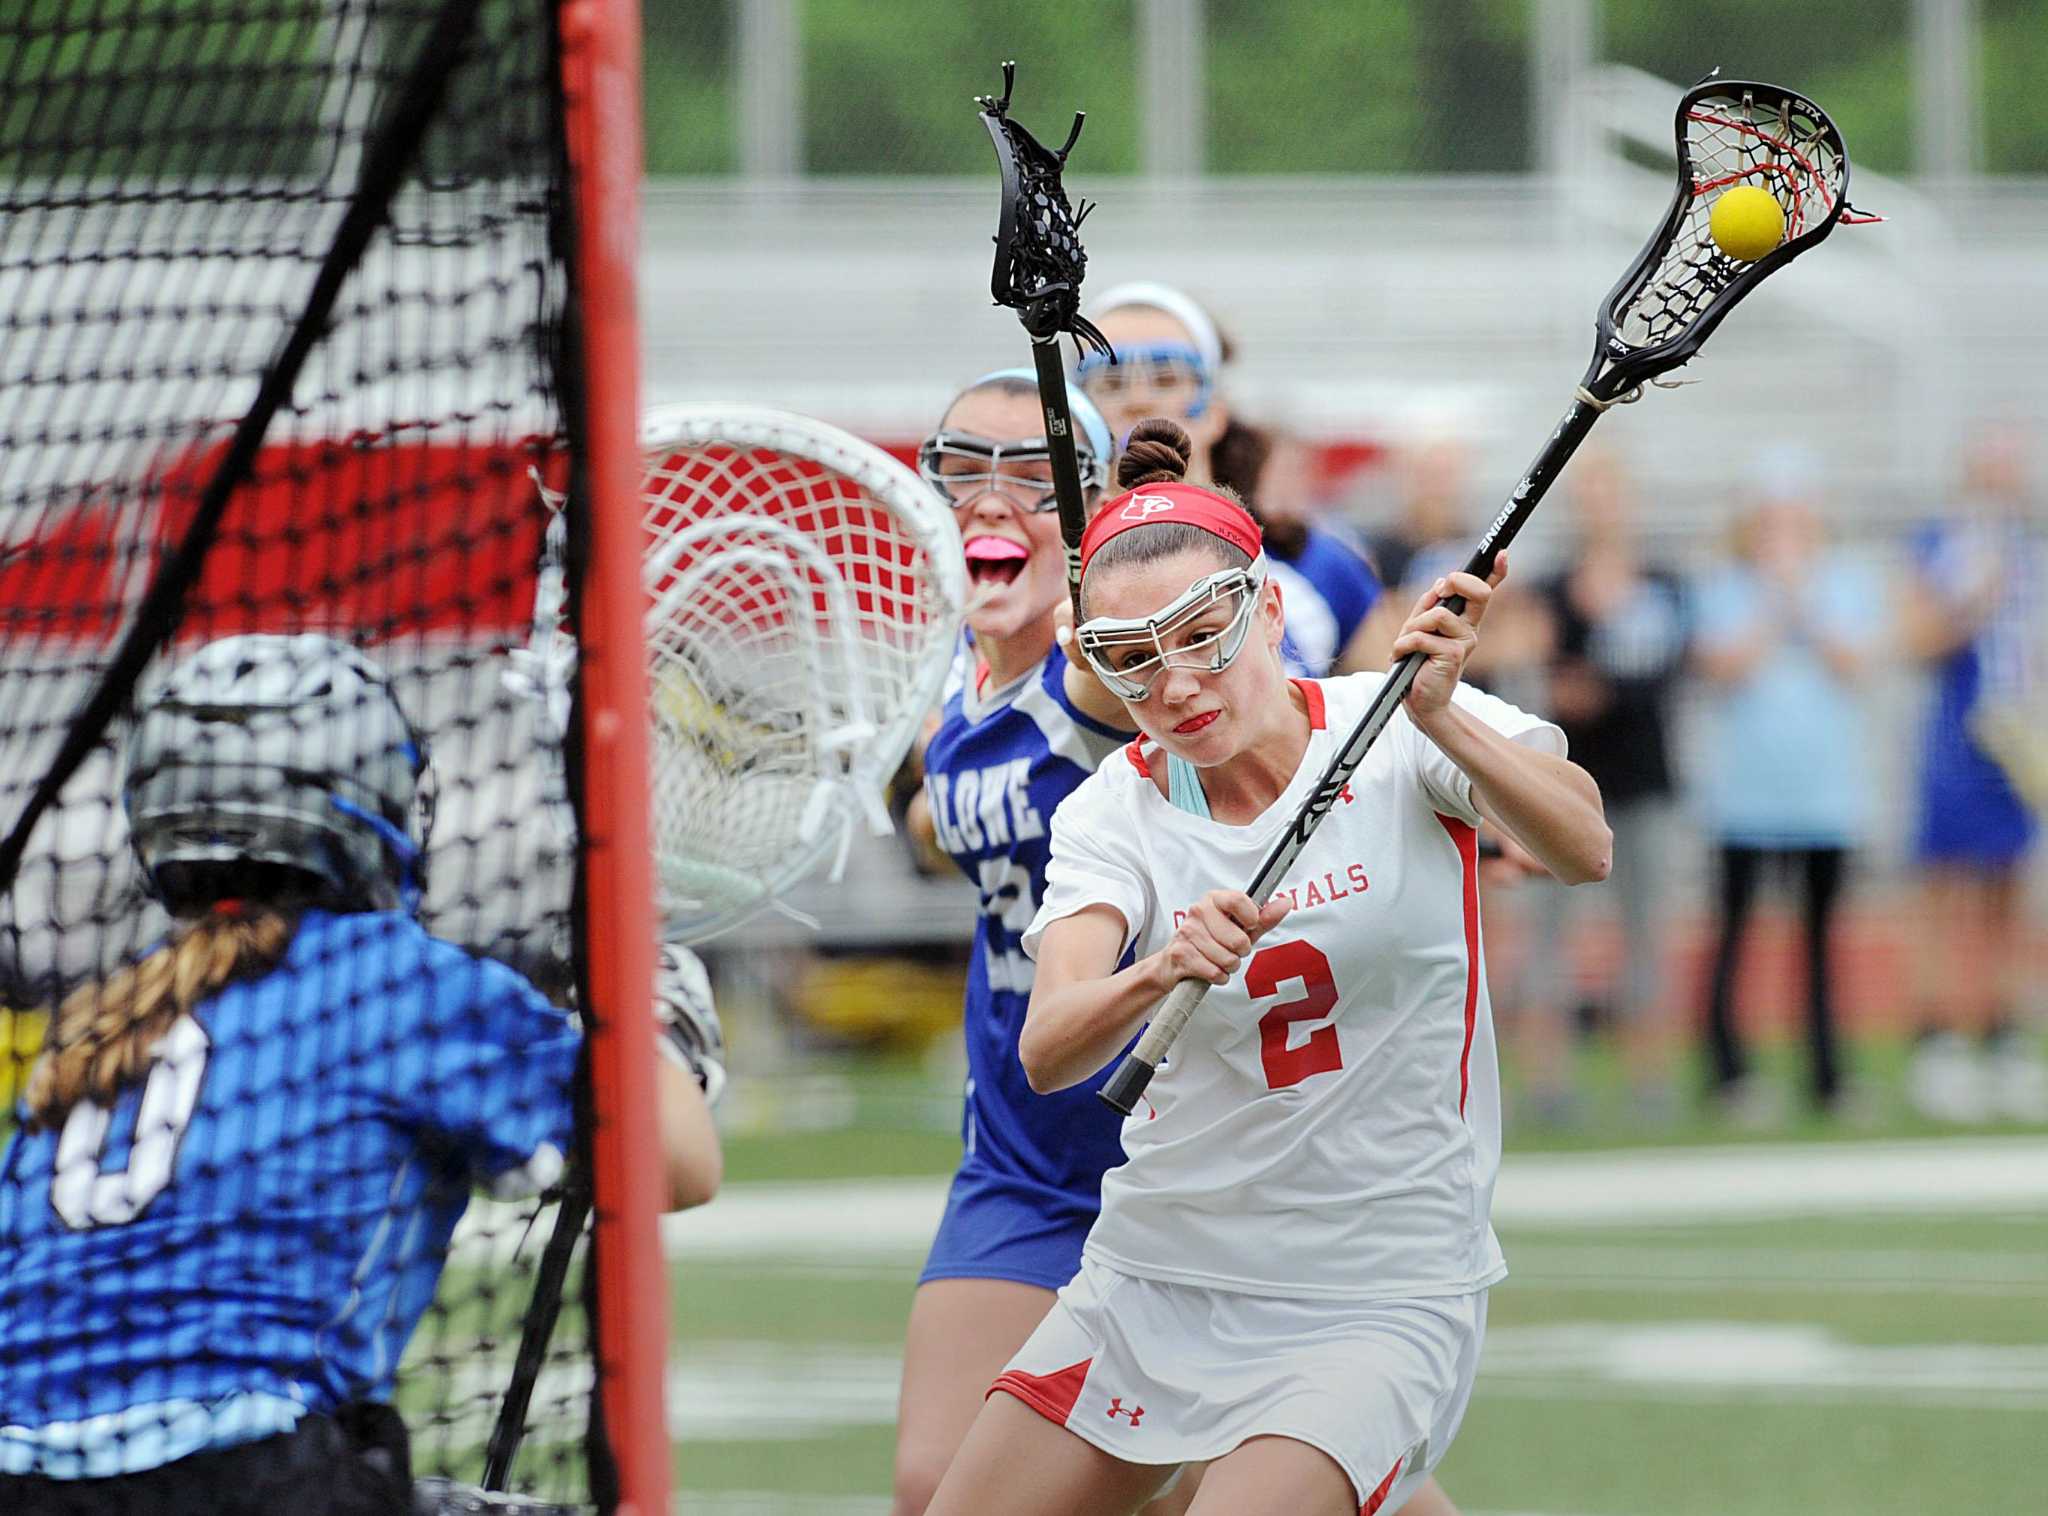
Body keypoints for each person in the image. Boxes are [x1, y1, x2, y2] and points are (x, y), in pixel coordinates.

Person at [923, 421, 1611, 1516]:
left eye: (1204, 635)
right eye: (1134, 660)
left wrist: (1443, 717)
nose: (1180, 683)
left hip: (1374, 1287)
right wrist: (1157, 971)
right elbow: (1048, 1049)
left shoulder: (1392, 725)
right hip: (1154, 1275)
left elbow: (1583, 845)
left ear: (1269, 611)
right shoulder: (1115, 809)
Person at [0, 634, 721, 1516]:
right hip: (244, 1479)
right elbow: (679, 1162)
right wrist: (655, 1021)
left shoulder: (106, 1019)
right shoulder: (388, 981)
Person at [1692, 469, 1882, 1121]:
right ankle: (1729, 1073)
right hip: (1746, 798)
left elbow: (1855, 665)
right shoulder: (1724, 588)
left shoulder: (1846, 584)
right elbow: (1721, 670)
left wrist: (1803, 599)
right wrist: (1773, 601)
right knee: (1736, 935)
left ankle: (1827, 1076)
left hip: (1824, 796)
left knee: (1822, 940)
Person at [1076, 282, 1383, 675]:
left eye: (1166, 379)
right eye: (1110, 382)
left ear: (1215, 411)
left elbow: (1391, 716)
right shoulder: (1047, 566)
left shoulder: (1317, 564)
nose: (1138, 400)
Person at [1518, 449, 1689, 1123]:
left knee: (1647, 936)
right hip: (1567, 785)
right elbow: (1550, 682)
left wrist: (1601, 687)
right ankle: (1548, 1084)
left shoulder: (1663, 584)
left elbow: (1668, 672)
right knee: (1549, 940)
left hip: (1646, 781)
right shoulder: (1553, 589)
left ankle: (1650, 1082)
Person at [1899, 426, 2048, 1122]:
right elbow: (1917, 640)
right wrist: (1970, 599)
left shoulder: (2034, 548)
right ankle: (1939, 1038)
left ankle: (2004, 1036)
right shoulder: (1942, 544)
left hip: (2018, 737)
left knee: (2009, 893)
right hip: (1960, 736)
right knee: (1946, 889)